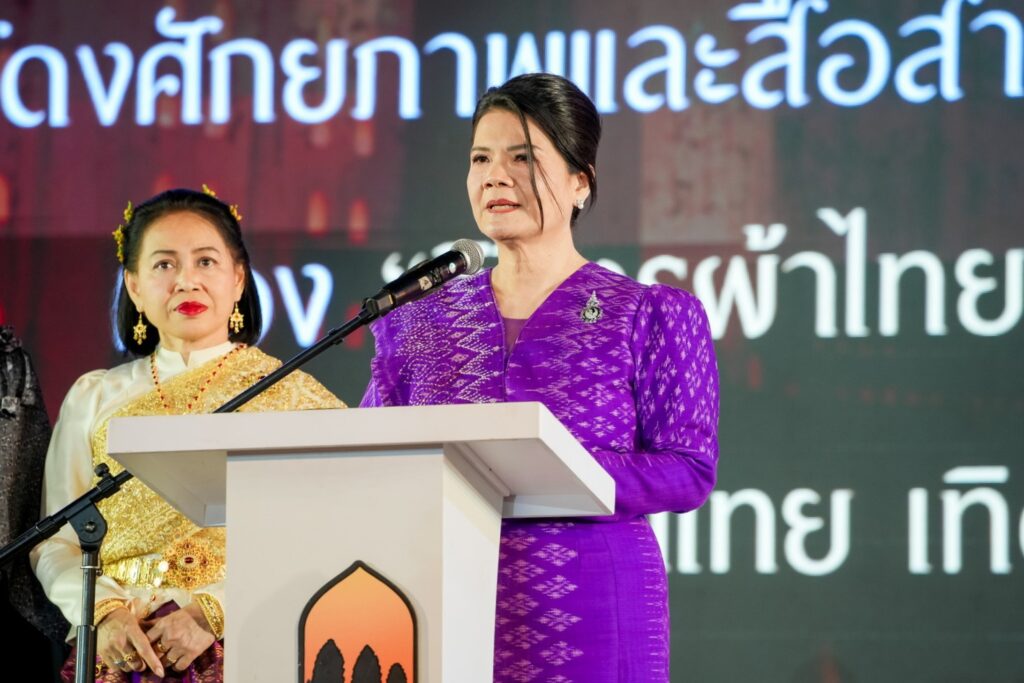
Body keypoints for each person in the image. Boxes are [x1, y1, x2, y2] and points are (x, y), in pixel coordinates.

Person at [361, 73, 720, 682]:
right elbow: (373, 458)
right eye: (481, 158)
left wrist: (551, 466)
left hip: (595, 607)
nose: (494, 176)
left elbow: (688, 470)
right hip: (441, 600)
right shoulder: (418, 321)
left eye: (522, 158)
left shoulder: (648, 314)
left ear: (581, 181)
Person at [31, 187, 345, 682]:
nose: (186, 281)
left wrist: (213, 610)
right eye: (164, 265)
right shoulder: (94, 397)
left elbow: (333, 534)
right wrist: (104, 615)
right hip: (116, 655)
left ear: (238, 279)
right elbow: (55, 542)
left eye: (205, 261)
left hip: (247, 643)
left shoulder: (293, 396)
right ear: (134, 286)